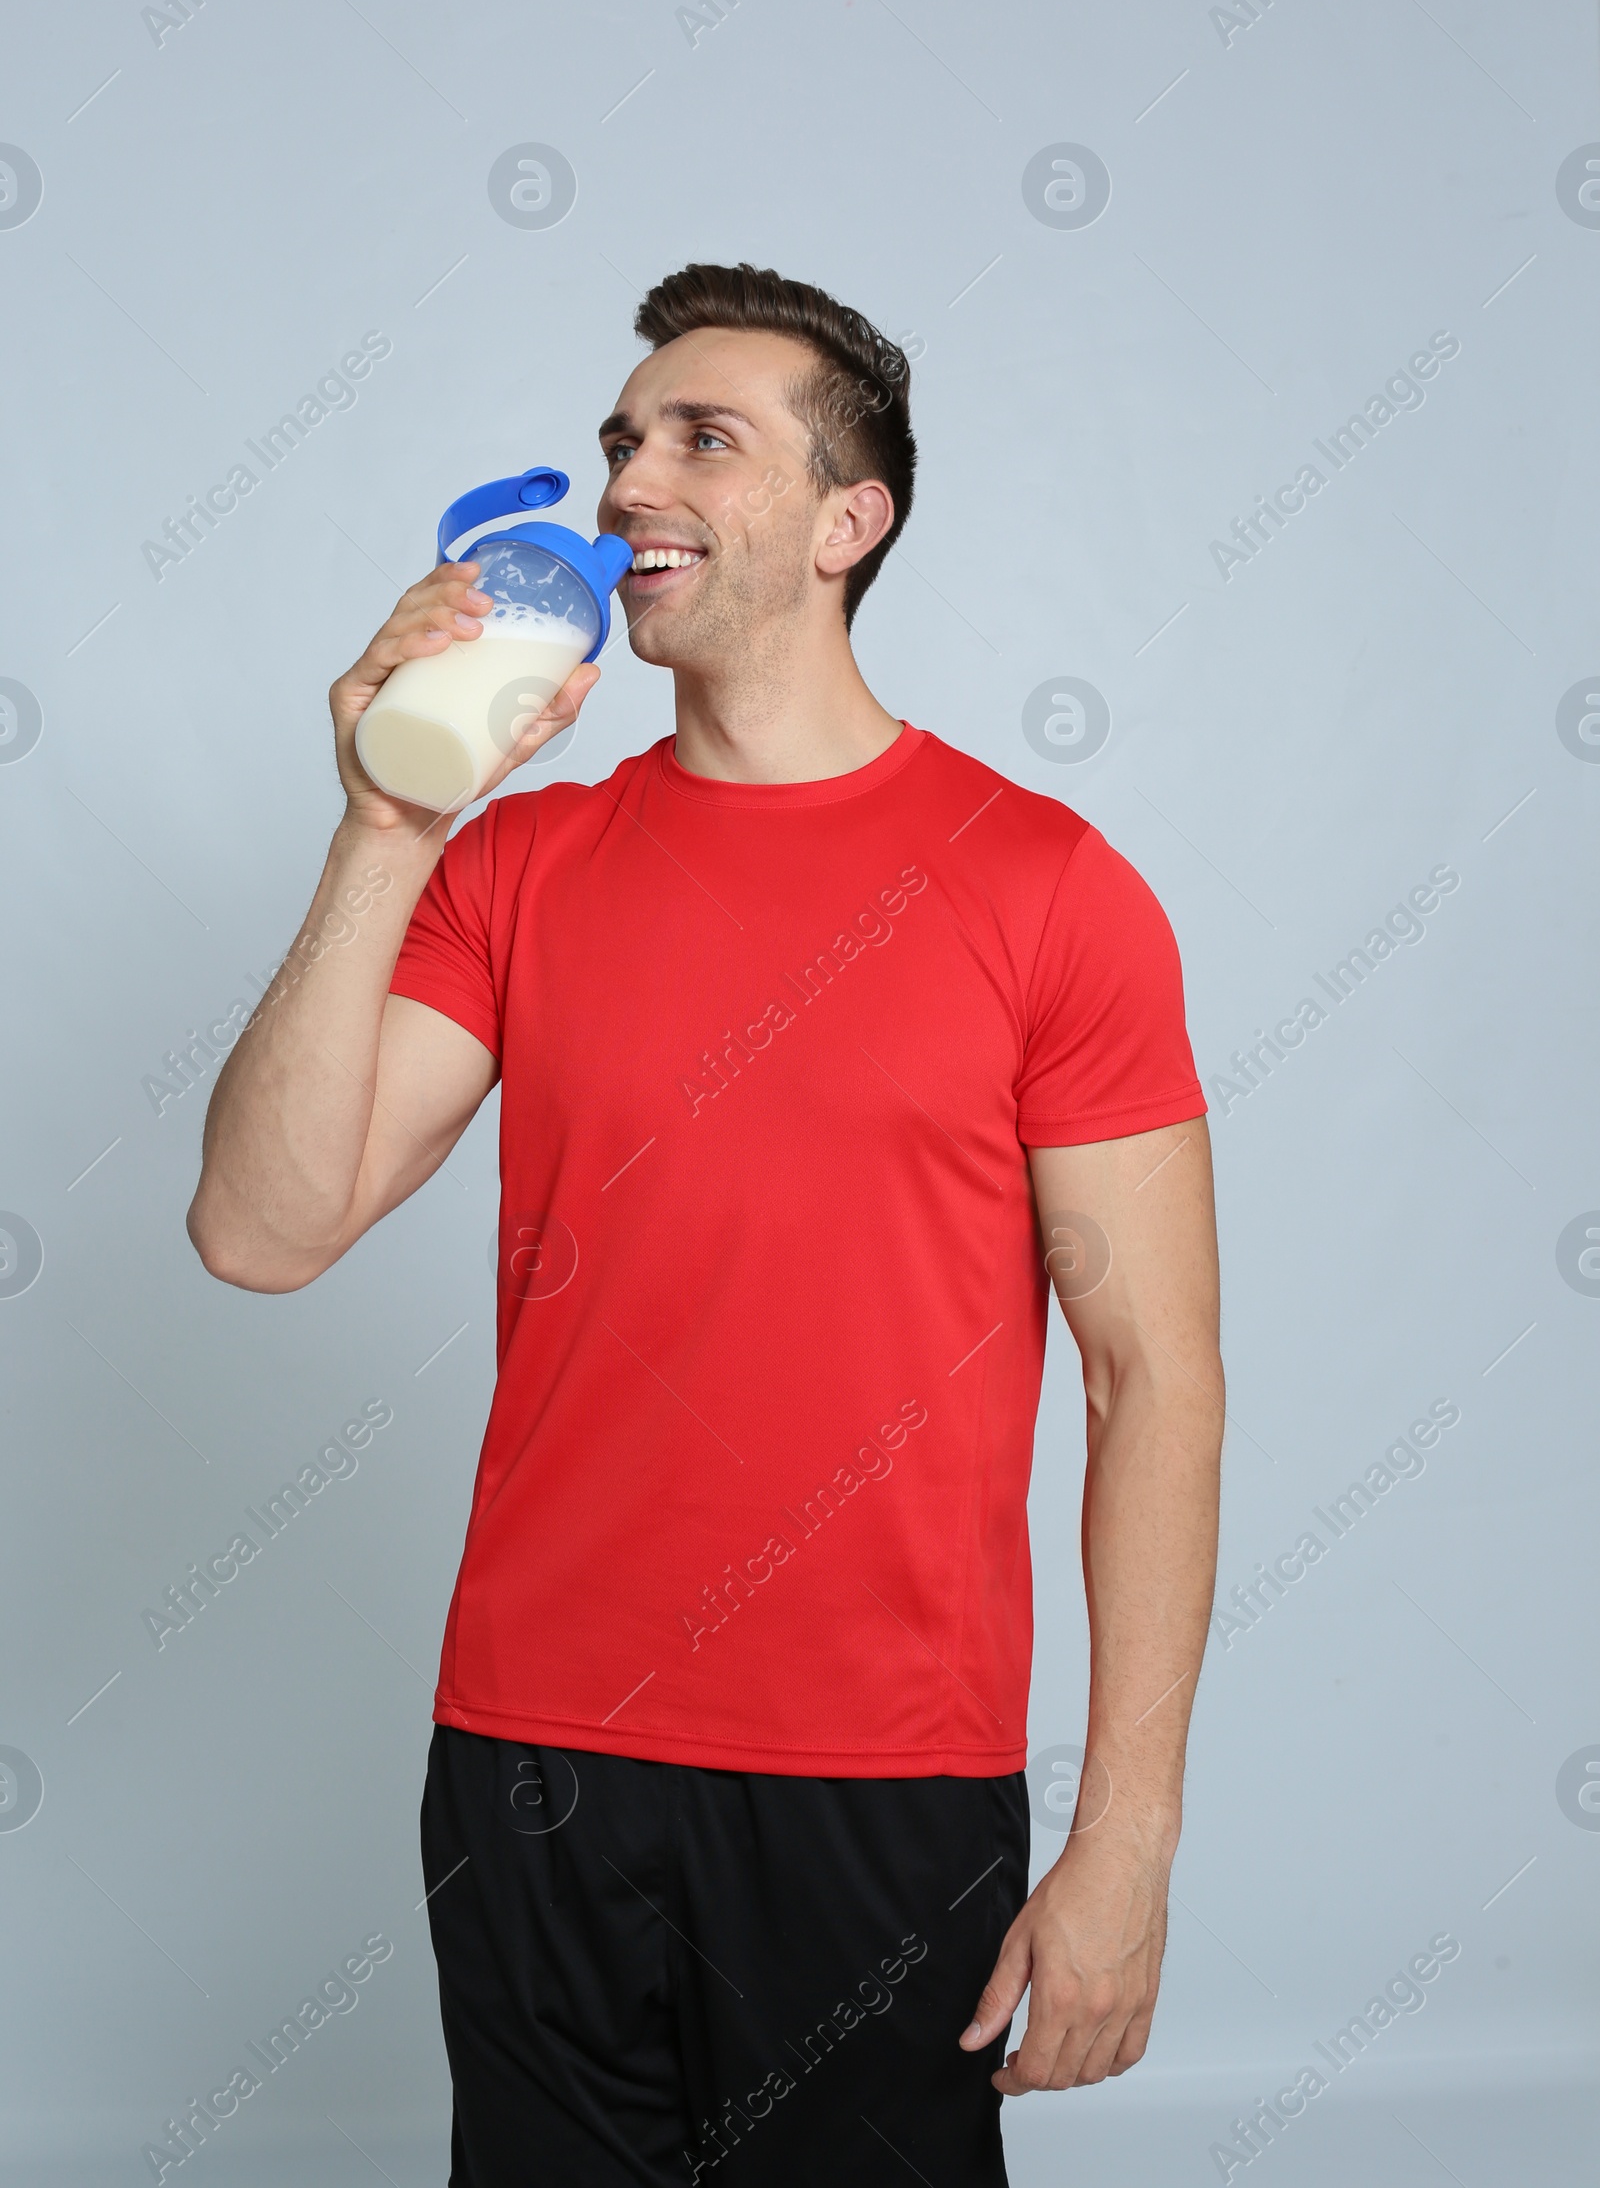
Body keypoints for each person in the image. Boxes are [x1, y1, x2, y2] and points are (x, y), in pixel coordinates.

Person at [188, 261, 1224, 2187]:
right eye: (622, 441)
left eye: (701, 438)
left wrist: (1127, 1843)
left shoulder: (1052, 892)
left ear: (853, 521)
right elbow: (259, 1230)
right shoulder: (520, 864)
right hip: (535, 1767)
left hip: (883, 1785)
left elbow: (1154, 1377)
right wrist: (387, 821)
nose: (629, 481)